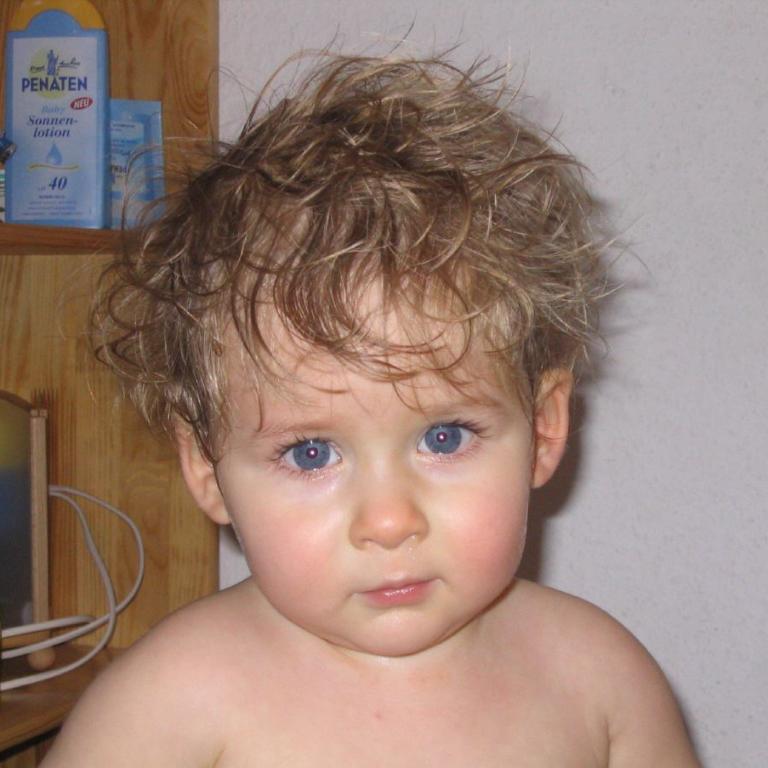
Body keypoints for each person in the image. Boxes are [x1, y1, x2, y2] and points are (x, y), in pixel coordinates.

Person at [42, 52, 700, 767]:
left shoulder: (601, 682)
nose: (389, 522)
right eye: (311, 453)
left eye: (444, 437)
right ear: (206, 467)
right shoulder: (162, 711)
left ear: (543, 428)